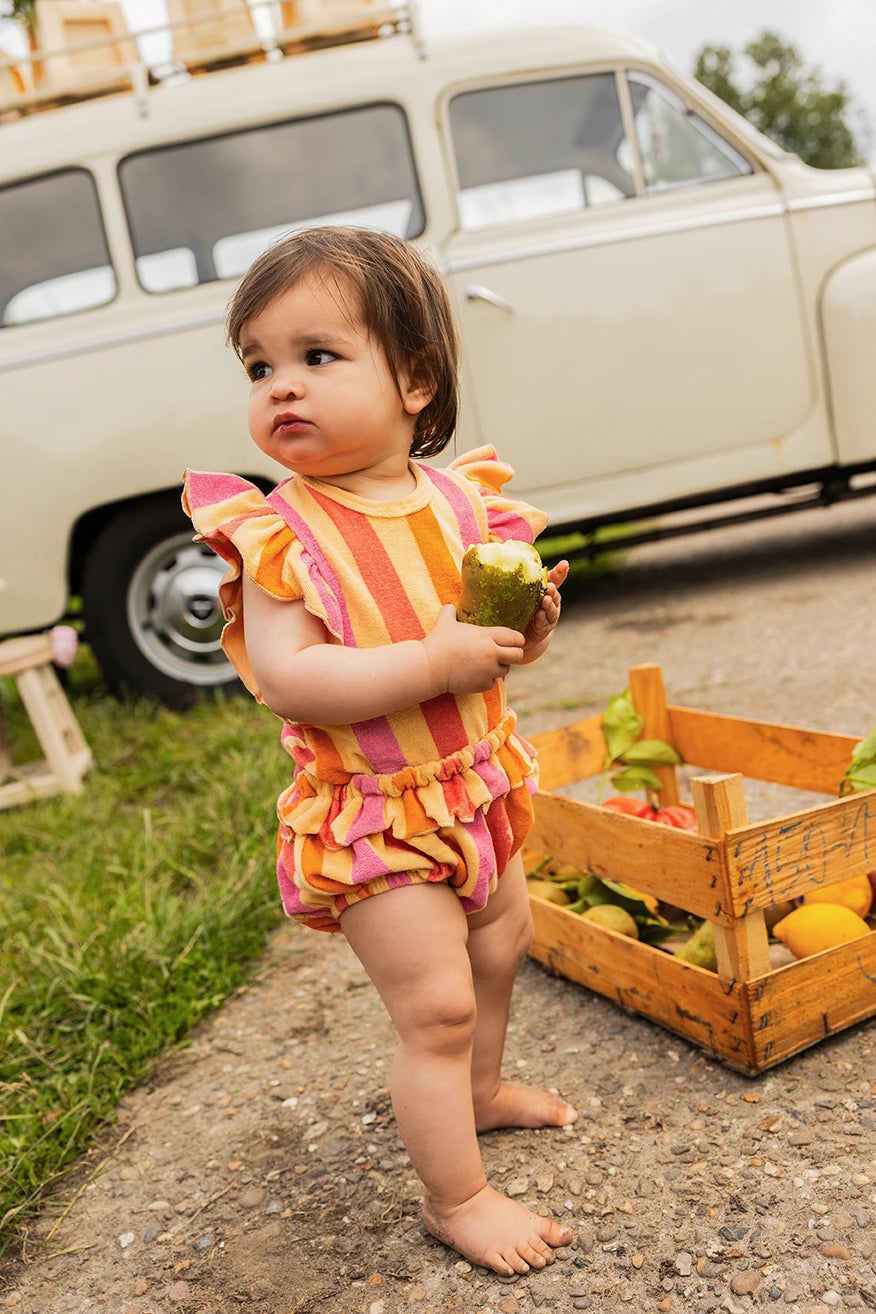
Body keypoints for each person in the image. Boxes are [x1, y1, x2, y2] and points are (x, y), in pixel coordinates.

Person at [182, 226, 575, 1277]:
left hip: (478, 784)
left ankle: (480, 1095)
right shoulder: (281, 537)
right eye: (259, 365)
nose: (280, 388)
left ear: (415, 379)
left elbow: (488, 654)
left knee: (500, 950)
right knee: (434, 1004)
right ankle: (458, 1197)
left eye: (317, 356)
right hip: (377, 813)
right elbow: (294, 677)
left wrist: (519, 634)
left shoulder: (462, 504)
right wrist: (435, 662)